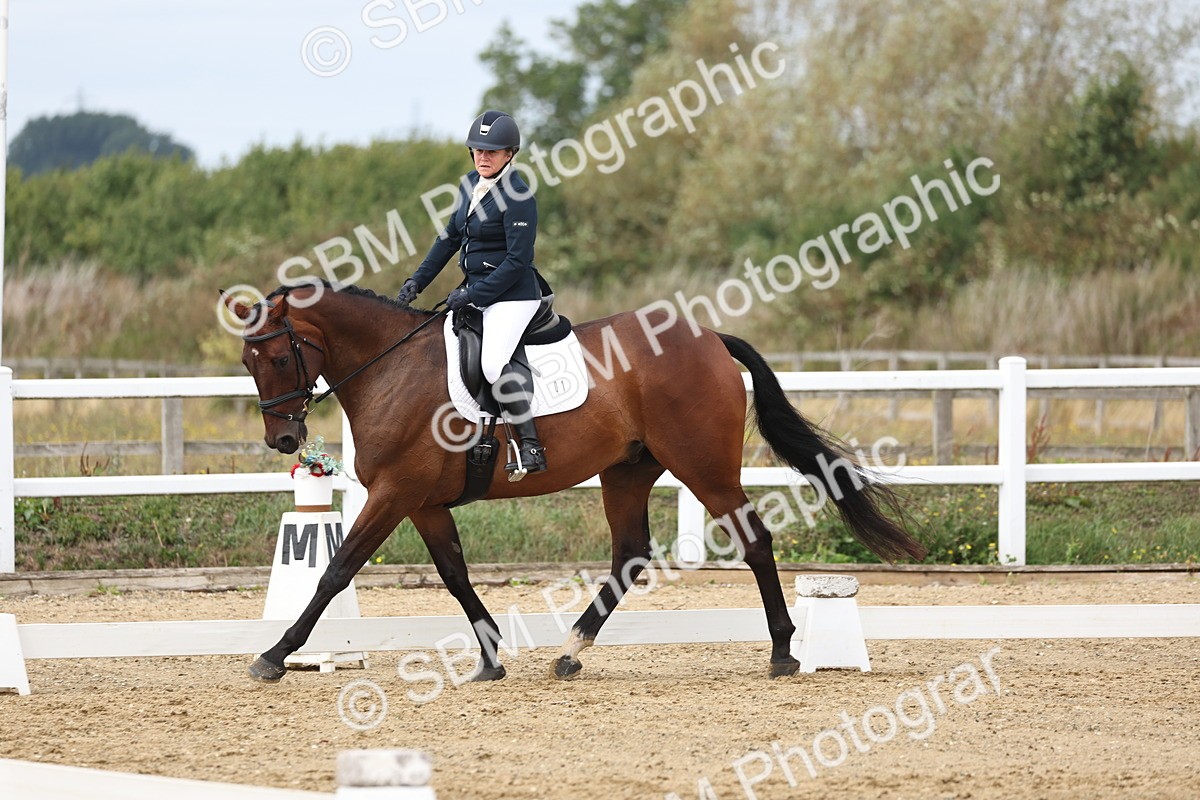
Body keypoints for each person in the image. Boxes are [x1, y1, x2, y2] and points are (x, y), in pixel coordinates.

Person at [397, 110, 550, 476]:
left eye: (492, 152)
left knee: (494, 362)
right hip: (476, 290)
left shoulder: (519, 194)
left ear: (510, 154)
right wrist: (416, 282)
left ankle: (530, 446)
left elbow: (517, 261)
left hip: (513, 295)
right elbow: (449, 239)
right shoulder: (469, 184)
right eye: (477, 150)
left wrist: (473, 294)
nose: (483, 157)